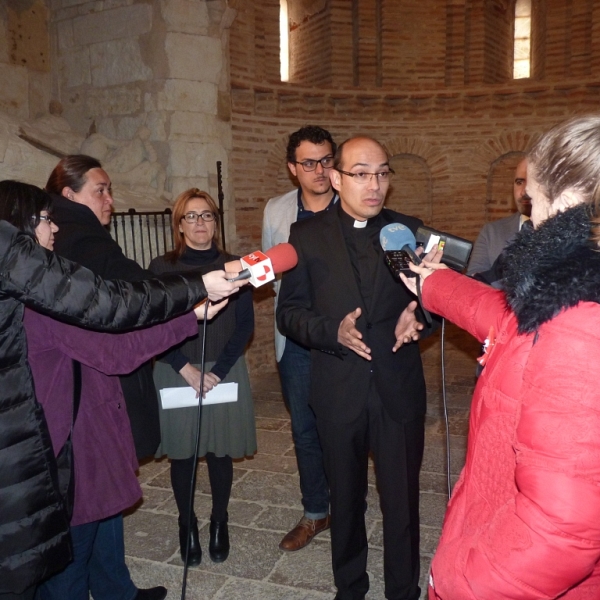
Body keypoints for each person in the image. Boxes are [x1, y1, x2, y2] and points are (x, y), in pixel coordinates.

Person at [0, 181, 244, 599]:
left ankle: (118, 592)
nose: (54, 229)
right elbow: (116, 349)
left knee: (100, 526)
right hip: (67, 447)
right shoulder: (36, 297)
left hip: (81, 431)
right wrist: (191, 316)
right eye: (45, 219)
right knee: (68, 565)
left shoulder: (33, 283)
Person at [401, 115, 600, 599]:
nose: (528, 215)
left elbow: (560, 532)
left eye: (532, 199)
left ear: (569, 200)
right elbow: (508, 321)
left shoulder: (581, 326)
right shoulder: (570, 300)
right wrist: (433, 284)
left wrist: (458, 581)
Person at [277, 136, 434, 600]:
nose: (375, 184)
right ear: (336, 177)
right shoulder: (307, 236)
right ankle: (351, 587)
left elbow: (437, 296)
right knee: (345, 502)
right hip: (338, 388)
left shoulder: (407, 230)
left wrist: (422, 312)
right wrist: (331, 331)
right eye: (362, 173)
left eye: (383, 173)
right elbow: (289, 313)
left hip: (397, 387)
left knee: (401, 503)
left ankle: (402, 591)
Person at [45, 155, 167, 598]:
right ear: (67, 197)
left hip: (94, 392)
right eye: (101, 189)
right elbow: (135, 294)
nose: (111, 200)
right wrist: (195, 292)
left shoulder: (78, 235)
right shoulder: (79, 237)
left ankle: (117, 589)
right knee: (84, 506)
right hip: (81, 397)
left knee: (108, 492)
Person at [150, 189, 255, 566]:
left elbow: (245, 325)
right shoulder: (161, 268)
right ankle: (186, 523)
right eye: (191, 217)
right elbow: (153, 323)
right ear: (179, 225)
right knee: (184, 453)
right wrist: (186, 369)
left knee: (220, 450)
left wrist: (218, 372)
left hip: (223, 369)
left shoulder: (235, 265)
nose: (200, 223)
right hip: (176, 369)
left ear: (216, 221)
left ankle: (219, 521)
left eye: (207, 215)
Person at [262, 125, 337, 551]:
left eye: (326, 159)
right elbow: (272, 273)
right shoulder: (276, 211)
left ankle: (348, 509)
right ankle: (315, 512)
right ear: (293, 169)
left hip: (344, 337)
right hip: (294, 338)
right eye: (309, 163)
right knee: (305, 429)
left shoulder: (353, 206)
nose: (319, 170)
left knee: (345, 427)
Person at [466, 157, 531, 284]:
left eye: (530, 183)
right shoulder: (491, 232)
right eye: (519, 182)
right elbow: (473, 286)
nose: (524, 191)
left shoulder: (564, 232)